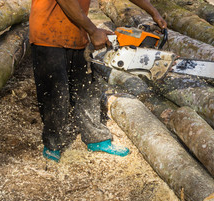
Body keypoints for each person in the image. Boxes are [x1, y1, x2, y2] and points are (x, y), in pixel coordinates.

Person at [29, 0, 167, 162]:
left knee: (88, 90)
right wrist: (93, 31)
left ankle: (96, 138)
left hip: (77, 35)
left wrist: (154, 12)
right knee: (55, 94)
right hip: (47, 35)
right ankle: (53, 143)